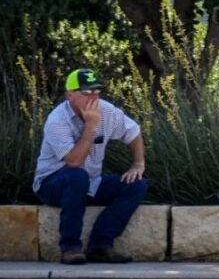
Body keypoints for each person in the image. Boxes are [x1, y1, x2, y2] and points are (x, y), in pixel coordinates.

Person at [33, 68, 147, 265]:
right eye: (86, 93)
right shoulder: (57, 120)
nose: (93, 97)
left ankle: (100, 246)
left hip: (90, 182)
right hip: (53, 184)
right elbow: (74, 162)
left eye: (96, 92)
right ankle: (70, 248)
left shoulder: (107, 110)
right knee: (77, 176)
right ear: (71, 95)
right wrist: (91, 127)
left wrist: (138, 164)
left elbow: (133, 131)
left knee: (137, 184)